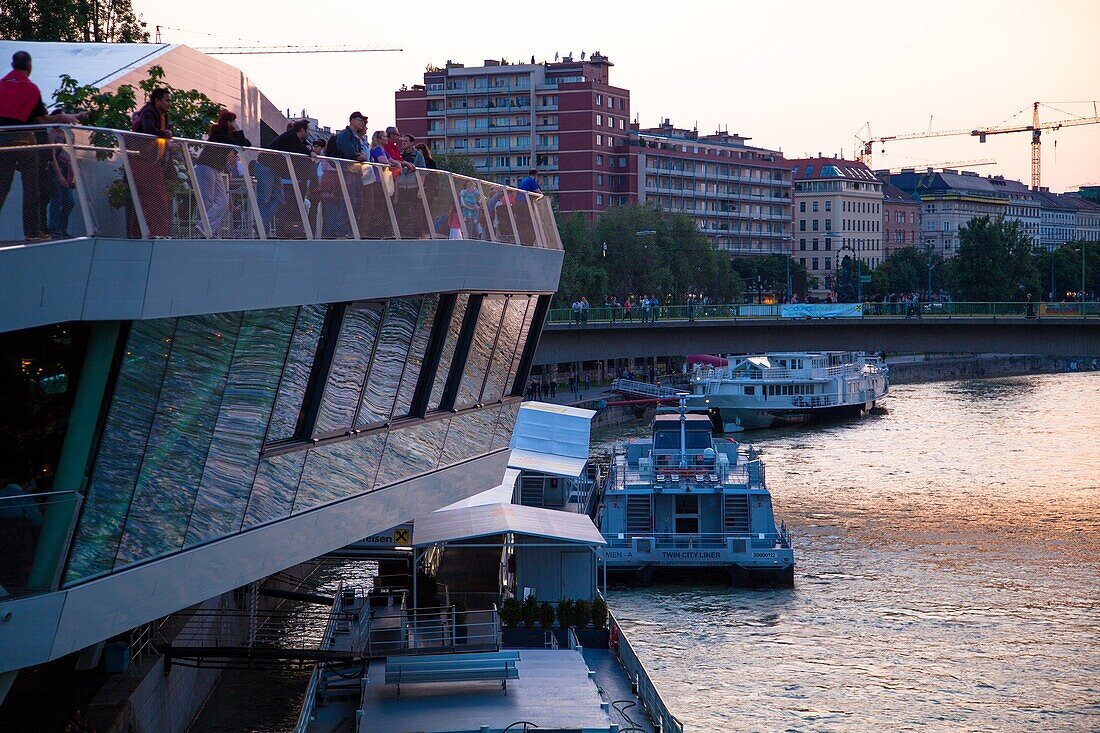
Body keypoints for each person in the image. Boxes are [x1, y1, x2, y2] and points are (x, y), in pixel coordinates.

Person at [0, 51, 83, 240]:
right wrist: (64, 117)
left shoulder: (1, 85)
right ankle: (32, 232)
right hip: (23, 139)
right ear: (29, 66)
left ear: (13, 65)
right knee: (31, 187)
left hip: (2, 139)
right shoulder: (30, 88)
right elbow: (42, 119)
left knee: (2, 186)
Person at [194, 110, 251, 236]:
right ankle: (206, 231)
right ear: (228, 122)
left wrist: (237, 130)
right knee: (207, 201)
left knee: (222, 201)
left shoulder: (229, 135)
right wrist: (237, 131)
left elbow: (246, 144)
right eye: (233, 121)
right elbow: (239, 143)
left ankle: (204, 228)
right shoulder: (218, 133)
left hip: (217, 169)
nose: (235, 124)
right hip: (206, 167)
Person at [129, 87, 174, 237]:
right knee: (155, 197)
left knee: (148, 197)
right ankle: (156, 232)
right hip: (143, 160)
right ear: (157, 100)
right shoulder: (149, 112)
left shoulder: (163, 115)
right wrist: (165, 134)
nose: (169, 104)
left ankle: (137, 233)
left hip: (154, 161)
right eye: (167, 100)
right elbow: (148, 129)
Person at [256, 119, 310, 234]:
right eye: (308, 130)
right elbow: (299, 149)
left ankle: (262, 222)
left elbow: (302, 147)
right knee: (264, 199)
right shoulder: (290, 136)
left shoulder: (297, 139)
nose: (309, 132)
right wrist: (311, 152)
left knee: (280, 199)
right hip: (266, 166)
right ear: (302, 130)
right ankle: (261, 226)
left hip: (275, 170)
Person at [46, 127, 75, 237]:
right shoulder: (51, 134)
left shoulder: (68, 134)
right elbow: (52, 157)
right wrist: (59, 176)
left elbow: (72, 154)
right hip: (54, 172)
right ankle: (54, 229)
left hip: (66, 172)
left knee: (69, 201)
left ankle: (62, 228)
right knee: (57, 198)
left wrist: (72, 176)